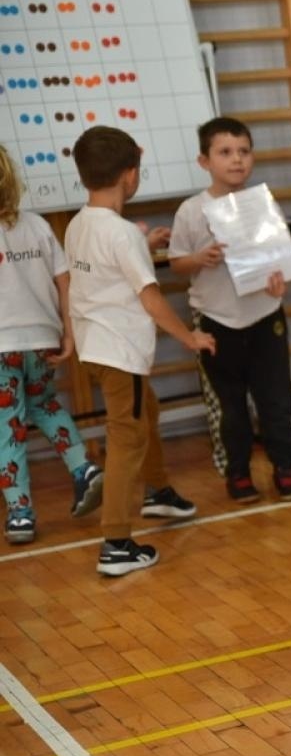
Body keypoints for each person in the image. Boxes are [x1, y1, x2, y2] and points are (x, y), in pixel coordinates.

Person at [65, 127, 215, 576]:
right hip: (119, 353)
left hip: (94, 349)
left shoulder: (80, 223)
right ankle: (115, 543)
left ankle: (159, 493)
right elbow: (149, 298)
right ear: (130, 176)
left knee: (144, 413)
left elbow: (106, 273)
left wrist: (143, 246)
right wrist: (190, 338)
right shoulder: (121, 233)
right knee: (126, 439)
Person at [167, 117, 291, 505]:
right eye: (225, 152)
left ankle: (285, 466)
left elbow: (279, 258)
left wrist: (279, 282)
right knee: (230, 405)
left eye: (244, 151)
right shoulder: (192, 211)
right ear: (204, 161)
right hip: (217, 320)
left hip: (265, 316)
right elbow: (177, 263)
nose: (237, 160)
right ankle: (239, 472)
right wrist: (199, 257)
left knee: (277, 398)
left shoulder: (261, 203)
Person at [0, 144, 104, 544]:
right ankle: (83, 467)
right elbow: (64, 280)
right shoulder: (37, 225)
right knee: (44, 404)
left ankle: (21, 514)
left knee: (8, 425)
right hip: (41, 339)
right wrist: (69, 330)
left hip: (3, 347)